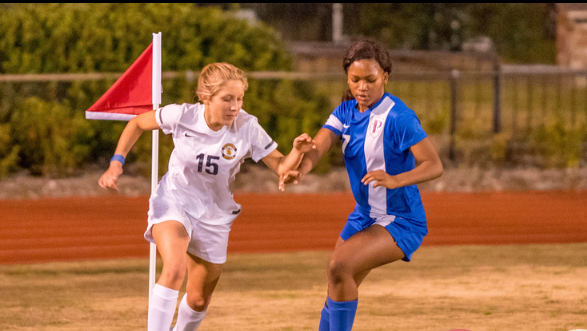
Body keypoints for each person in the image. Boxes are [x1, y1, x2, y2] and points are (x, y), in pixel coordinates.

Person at [98, 62, 315, 331]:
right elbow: (137, 123)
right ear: (205, 97)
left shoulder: (247, 126)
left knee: (199, 299)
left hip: (215, 215)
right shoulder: (182, 115)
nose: (235, 106)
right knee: (174, 269)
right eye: (227, 99)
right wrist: (116, 163)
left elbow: (281, 166)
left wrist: (296, 152)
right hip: (175, 201)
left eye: (239, 99)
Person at [281, 39, 443, 331]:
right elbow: (319, 146)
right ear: (347, 78)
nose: (362, 87)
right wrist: (301, 167)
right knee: (338, 280)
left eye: (370, 79)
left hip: (401, 219)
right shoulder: (345, 112)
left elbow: (434, 165)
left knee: (338, 267)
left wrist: (395, 180)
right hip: (364, 215)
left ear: (385, 77)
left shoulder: (399, 117)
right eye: (355, 80)